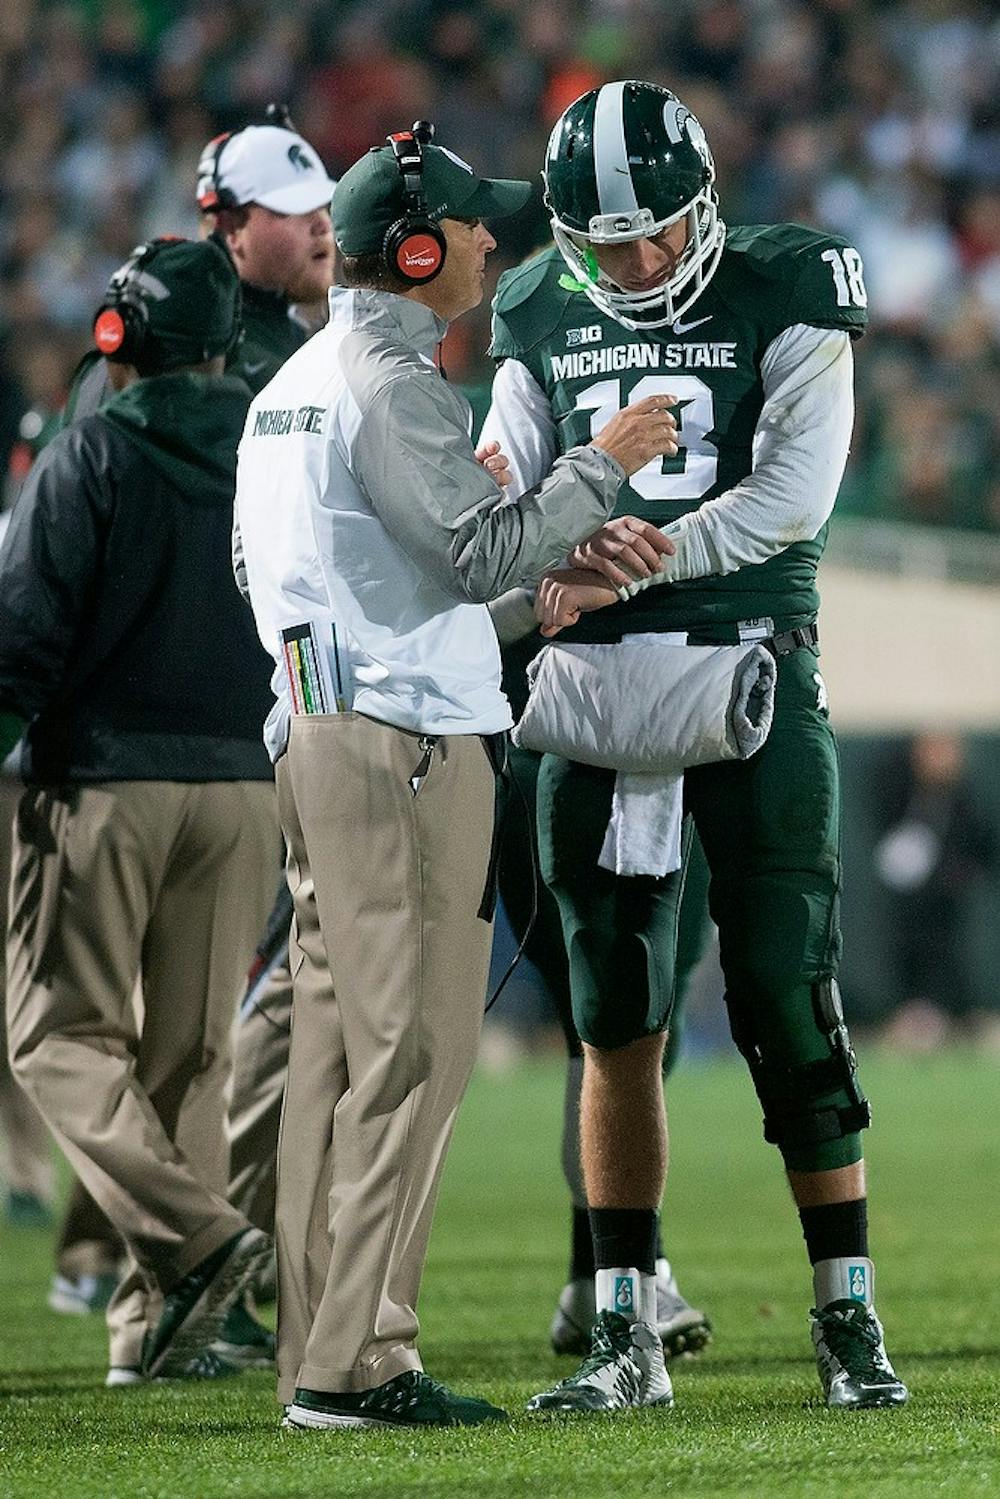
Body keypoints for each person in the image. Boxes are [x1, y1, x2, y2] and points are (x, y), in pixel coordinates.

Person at [235, 123, 681, 1430]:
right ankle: (355, 1361)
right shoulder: (395, 382)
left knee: (333, 1056)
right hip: (401, 753)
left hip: (327, 726)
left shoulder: (294, 389)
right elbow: (472, 544)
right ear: (417, 251)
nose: (494, 237)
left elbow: (387, 587)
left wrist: (551, 593)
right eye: (473, 223)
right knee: (412, 1053)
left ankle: (315, 1346)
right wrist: (606, 464)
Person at [482, 79, 908, 1413]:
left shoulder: (790, 282)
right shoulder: (535, 309)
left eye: (654, 236)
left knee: (787, 987)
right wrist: (558, 557)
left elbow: (790, 497)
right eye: (604, 242)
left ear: (705, 206)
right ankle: (623, 1322)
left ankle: (847, 1308)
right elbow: (507, 497)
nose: (631, 264)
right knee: (611, 1016)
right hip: (593, 696)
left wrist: (628, 566)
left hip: (751, 676)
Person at [0, 237, 280, 1386]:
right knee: (190, 1060)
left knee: (56, 1036)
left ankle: (197, 1235)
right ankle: (155, 1326)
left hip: (105, 784)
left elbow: (22, 635)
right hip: (246, 790)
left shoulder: (88, 452)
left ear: (119, 337)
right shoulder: (278, 449)